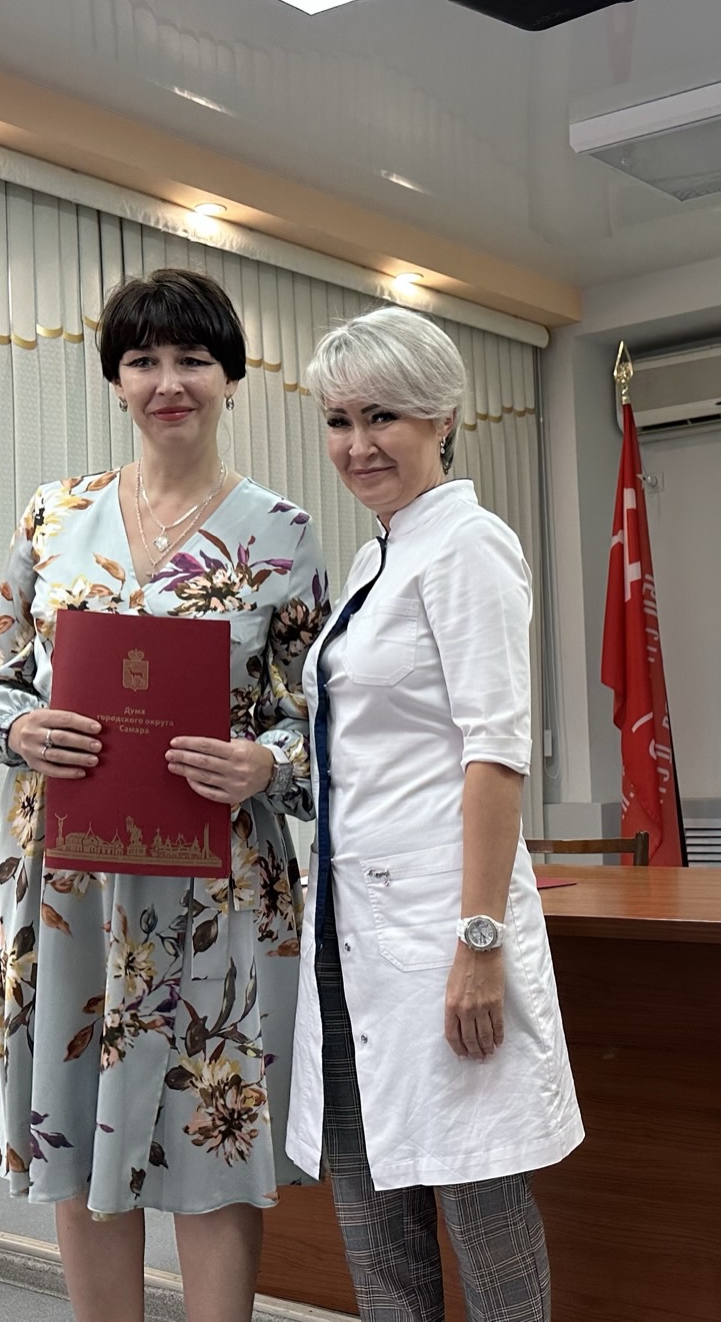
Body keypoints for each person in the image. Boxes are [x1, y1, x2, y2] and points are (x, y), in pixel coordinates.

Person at [0, 267, 330, 1322]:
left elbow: (320, 723)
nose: (169, 381)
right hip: (68, 880)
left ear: (231, 377)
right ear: (116, 380)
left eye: (192, 359)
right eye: (143, 360)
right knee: (76, 1130)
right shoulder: (54, 514)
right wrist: (19, 728)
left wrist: (266, 764)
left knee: (214, 1129)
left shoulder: (281, 532)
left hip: (216, 885)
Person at [288, 307, 583, 1322]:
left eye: (383, 417)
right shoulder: (377, 558)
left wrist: (478, 941)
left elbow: (495, 754)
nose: (357, 445)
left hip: (436, 933)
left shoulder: (467, 545)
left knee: (479, 1202)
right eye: (338, 421)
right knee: (372, 1211)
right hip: (352, 932)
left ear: (443, 417)